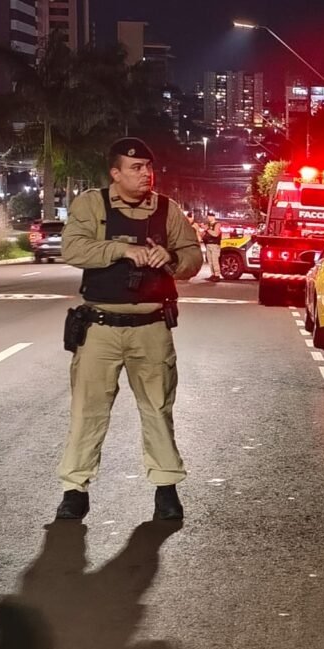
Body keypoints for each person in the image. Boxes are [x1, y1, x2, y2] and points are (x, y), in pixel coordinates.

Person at [55, 138, 202, 521]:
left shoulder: (168, 209)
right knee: (88, 410)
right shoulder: (92, 204)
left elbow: (193, 258)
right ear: (115, 173)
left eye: (148, 167)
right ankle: (75, 490)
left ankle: (166, 488)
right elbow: (73, 249)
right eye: (135, 168)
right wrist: (121, 250)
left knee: (157, 408)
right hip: (100, 326)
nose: (145, 174)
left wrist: (170, 256)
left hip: (151, 327)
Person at [203, 213, 223, 282]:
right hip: (208, 244)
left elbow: (215, 234)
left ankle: (217, 275)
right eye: (208, 216)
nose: (209, 218)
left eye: (210, 216)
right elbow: (204, 234)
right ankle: (213, 274)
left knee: (215, 261)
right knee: (210, 261)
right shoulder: (208, 224)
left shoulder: (217, 224)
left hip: (215, 245)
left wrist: (207, 229)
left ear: (214, 217)